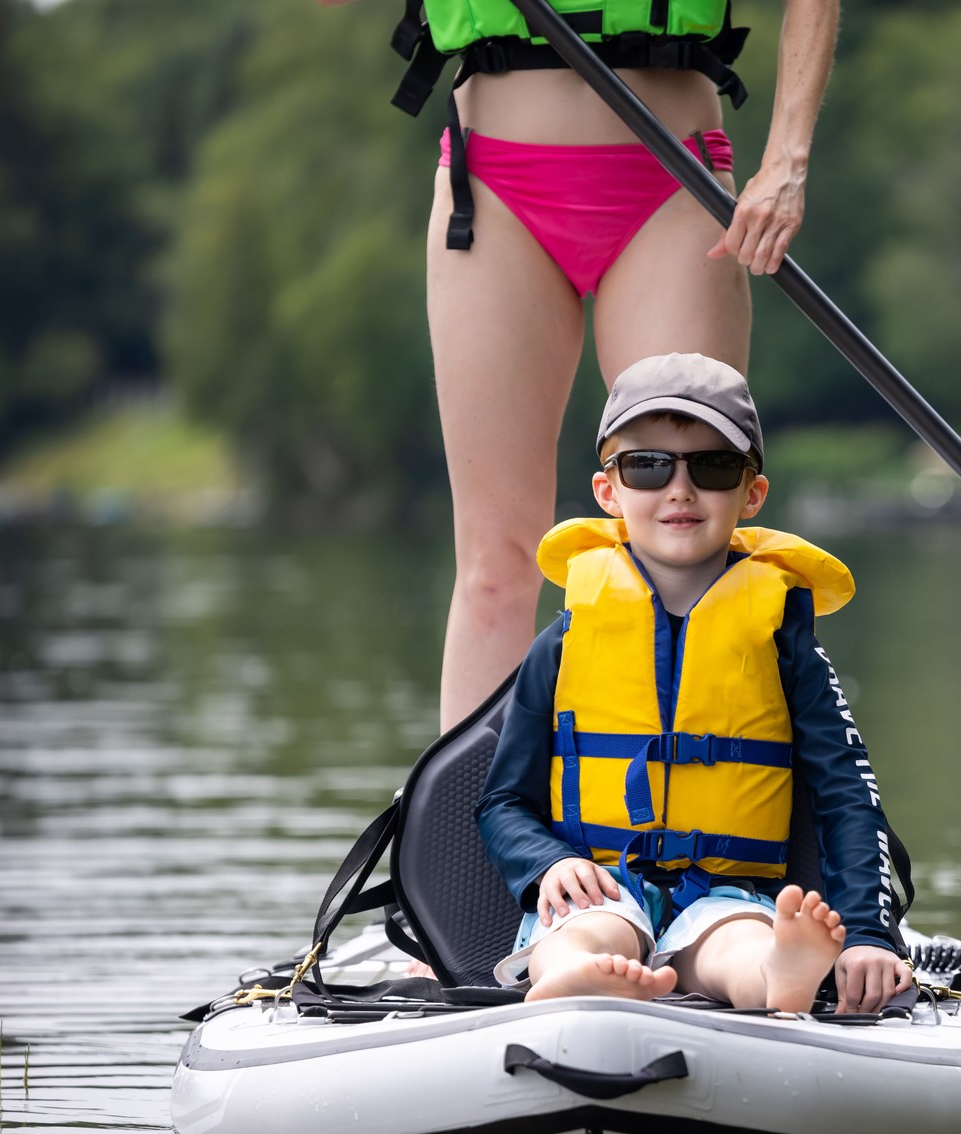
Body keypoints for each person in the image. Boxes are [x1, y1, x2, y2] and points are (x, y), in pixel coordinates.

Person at [318, 0, 840, 729]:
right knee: (497, 564)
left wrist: (787, 155)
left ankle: (686, 823)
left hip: (671, 180)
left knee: (682, 543)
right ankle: (474, 829)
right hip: (494, 186)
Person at [475, 352, 912, 1014]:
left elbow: (848, 795)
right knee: (587, 929)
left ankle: (778, 980)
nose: (679, 489)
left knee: (737, 943)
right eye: (648, 466)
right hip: (600, 885)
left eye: (711, 467)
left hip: (731, 894)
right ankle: (572, 973)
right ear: (608, 491)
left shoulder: (786, 645)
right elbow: (502, 800)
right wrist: (545, 864)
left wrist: (869, 932)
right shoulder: (561, 645)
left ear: (752, 493)